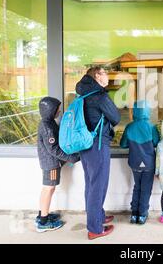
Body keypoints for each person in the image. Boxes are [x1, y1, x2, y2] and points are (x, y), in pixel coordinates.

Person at [75, 66, 121, 240]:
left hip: (85, 144)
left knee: (91, 182)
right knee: (98, 185)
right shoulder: (100, 95)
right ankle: (95, 228)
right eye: (105, 73)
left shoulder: (83, 94)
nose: (107, 76)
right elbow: (116, 117)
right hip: (98, 144)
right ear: (97, 76)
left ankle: (97, 216)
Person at [36, 97, 80, 233]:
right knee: (49, 189)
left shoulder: (47, 123)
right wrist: (71, 158)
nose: (59, 111)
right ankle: (43, 222)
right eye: (57, 109)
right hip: (51, 164)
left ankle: (43, 214)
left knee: (47, 188)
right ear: (50, 111)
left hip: (49, 162)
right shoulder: (48, 128)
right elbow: (54, 149)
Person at [120, 100, 160, 225]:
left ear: (135, 111)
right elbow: (156, 143)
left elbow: (123, 144)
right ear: (148, 111)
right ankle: (142, 215)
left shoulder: (129, 126)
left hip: (135, 163)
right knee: (146, 189)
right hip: (148, 164)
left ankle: (134, 214)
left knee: (137, 187)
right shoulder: (152, 127)